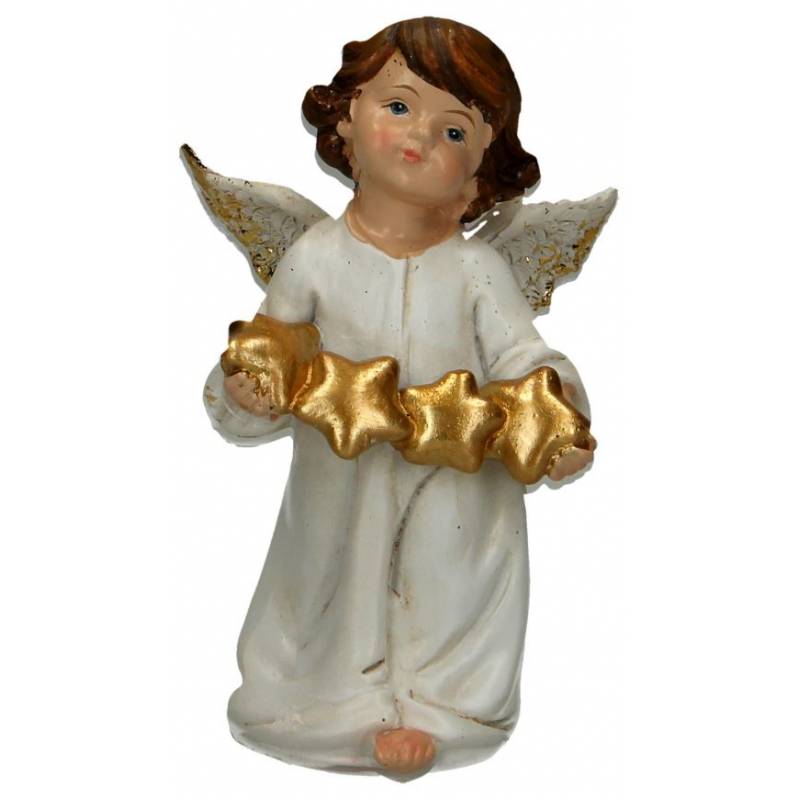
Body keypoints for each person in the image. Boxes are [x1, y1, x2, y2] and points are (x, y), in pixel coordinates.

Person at [203, 17, 593, 778]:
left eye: (454, 130)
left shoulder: (478, 271)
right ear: (346, 120)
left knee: (453, 579)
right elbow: (266, 348)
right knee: (327, 582)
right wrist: (247, 392)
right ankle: (334, 708)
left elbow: (526, 357)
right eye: (399, 106)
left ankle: (439, 710)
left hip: (457, 474)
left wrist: (558, 422)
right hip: (340, 474)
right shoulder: (315, 257)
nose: (420, 136)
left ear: (481, 170)